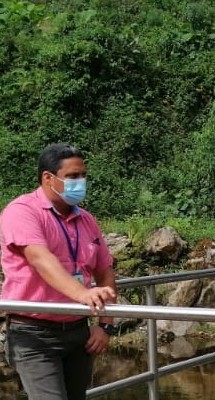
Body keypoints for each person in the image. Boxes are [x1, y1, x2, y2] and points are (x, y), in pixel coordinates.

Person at [0, 143, 118, 400]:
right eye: (72, 177)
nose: (81, 182)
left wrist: (105, 326)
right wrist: (82, 294)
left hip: (78, 333)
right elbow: (40, 259)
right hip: (34, 334)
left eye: (83, 175)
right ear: (47, 178)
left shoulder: (86, 219)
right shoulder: (22, 212)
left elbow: (105, 271)